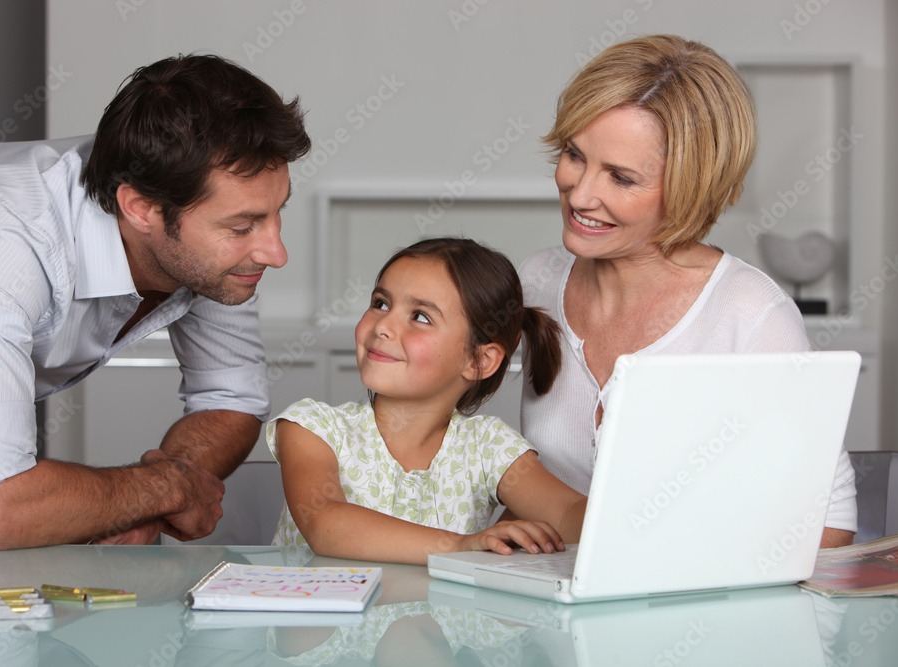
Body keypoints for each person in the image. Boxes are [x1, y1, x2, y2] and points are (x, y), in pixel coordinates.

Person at [0, 54, 311, 549]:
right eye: (243, 226)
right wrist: (163, 489)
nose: (276, 253)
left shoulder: (196, 231)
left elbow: (232, 399)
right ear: (140, 208)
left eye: (276, 213)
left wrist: (148, 502)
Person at [517, 34, 856, 547]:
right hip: (548, 588)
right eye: (574, 155)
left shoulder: (750, 314)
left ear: (689, 188)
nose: (581, 194)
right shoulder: (537, 281)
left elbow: (829, 525)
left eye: (621, 178)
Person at [268, 237, 587, 565]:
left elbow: (570, 513)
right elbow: (325, 523)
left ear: (479, 360)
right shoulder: (311, 428)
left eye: (420, 316)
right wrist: (461, 546)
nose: (383, 326)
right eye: (381, 303)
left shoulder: (490, 447)